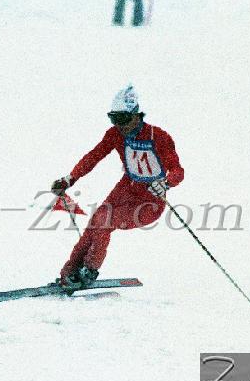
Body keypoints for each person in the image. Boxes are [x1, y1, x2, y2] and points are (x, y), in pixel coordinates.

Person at [51, 85, 184, 288]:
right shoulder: (115, 134)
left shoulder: (158, 136)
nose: (120, 125)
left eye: (123, 119)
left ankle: (89, 270)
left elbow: (177, 170)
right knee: (96, 221)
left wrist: (166, 183)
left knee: (104, 220)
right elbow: (94, 156)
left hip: (150, 200)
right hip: (126, 188)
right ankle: (70, 273)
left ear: (136, 115)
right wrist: (70, 178)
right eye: (114, 119)